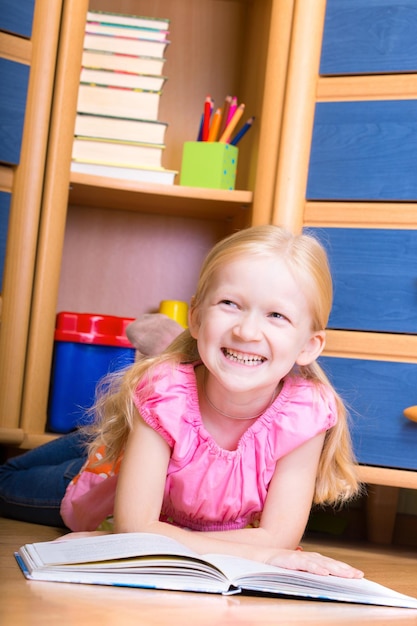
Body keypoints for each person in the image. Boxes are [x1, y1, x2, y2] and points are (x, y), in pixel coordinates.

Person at [0, 225, 363, 578]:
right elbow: (134, 524)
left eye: (276, 315)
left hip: (162, 452)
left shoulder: (306, 413)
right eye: (230, 304)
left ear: (308, 346)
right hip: (105, 478)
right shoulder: (165, 391)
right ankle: (113, 437)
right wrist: (259, 552)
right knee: (7, 476)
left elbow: (279, 539)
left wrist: (167, 541)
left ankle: (123, 424)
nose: (247, 331)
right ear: (195, 316)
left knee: (140, 421)